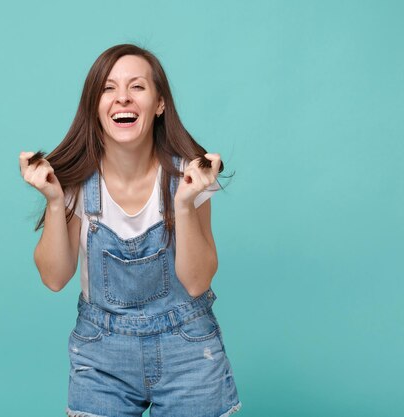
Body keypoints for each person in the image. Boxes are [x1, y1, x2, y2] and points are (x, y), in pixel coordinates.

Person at [19, 44, 241, 417]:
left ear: (159, 104)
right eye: (108, 88)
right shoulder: (72, 181)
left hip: (188, 350)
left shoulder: (190, 174)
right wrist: (56, 202)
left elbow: (198, 280)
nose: (122, 97)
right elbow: (55, 278)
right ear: (94, 105)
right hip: (102, 355)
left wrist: (184, 203)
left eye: (137, 86)